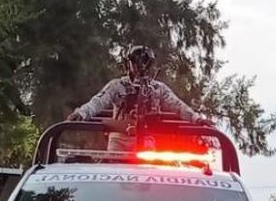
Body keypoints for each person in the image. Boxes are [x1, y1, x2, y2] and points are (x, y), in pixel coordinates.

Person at [66, 45, 206, 151]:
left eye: (145, 61)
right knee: (114, 173)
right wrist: (81, 113)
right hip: (119, 139)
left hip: (146, 139)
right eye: (136, 61)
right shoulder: (118, 85)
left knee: (146, 177)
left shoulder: (157, 88)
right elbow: (98, 101)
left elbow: (177, 105)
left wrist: (197, 119)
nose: (140, 66)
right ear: (129, 64)